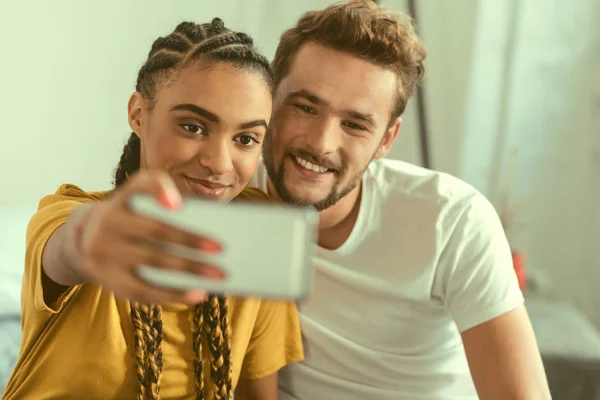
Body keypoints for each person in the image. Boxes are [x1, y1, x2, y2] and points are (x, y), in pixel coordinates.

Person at [249, 1, 551, 399]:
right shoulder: (227, 188)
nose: (322, 143)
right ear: (269, 98)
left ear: (386, 140)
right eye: (305, 107)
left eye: (355, 124)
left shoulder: (452, 220)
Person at [2, 19, 303, 400]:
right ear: (138, 114)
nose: (220, 163)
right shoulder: (67, 214)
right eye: (193, 127)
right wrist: (91, 238)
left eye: (246, 139)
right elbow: (69, 247)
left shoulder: (258, 232)